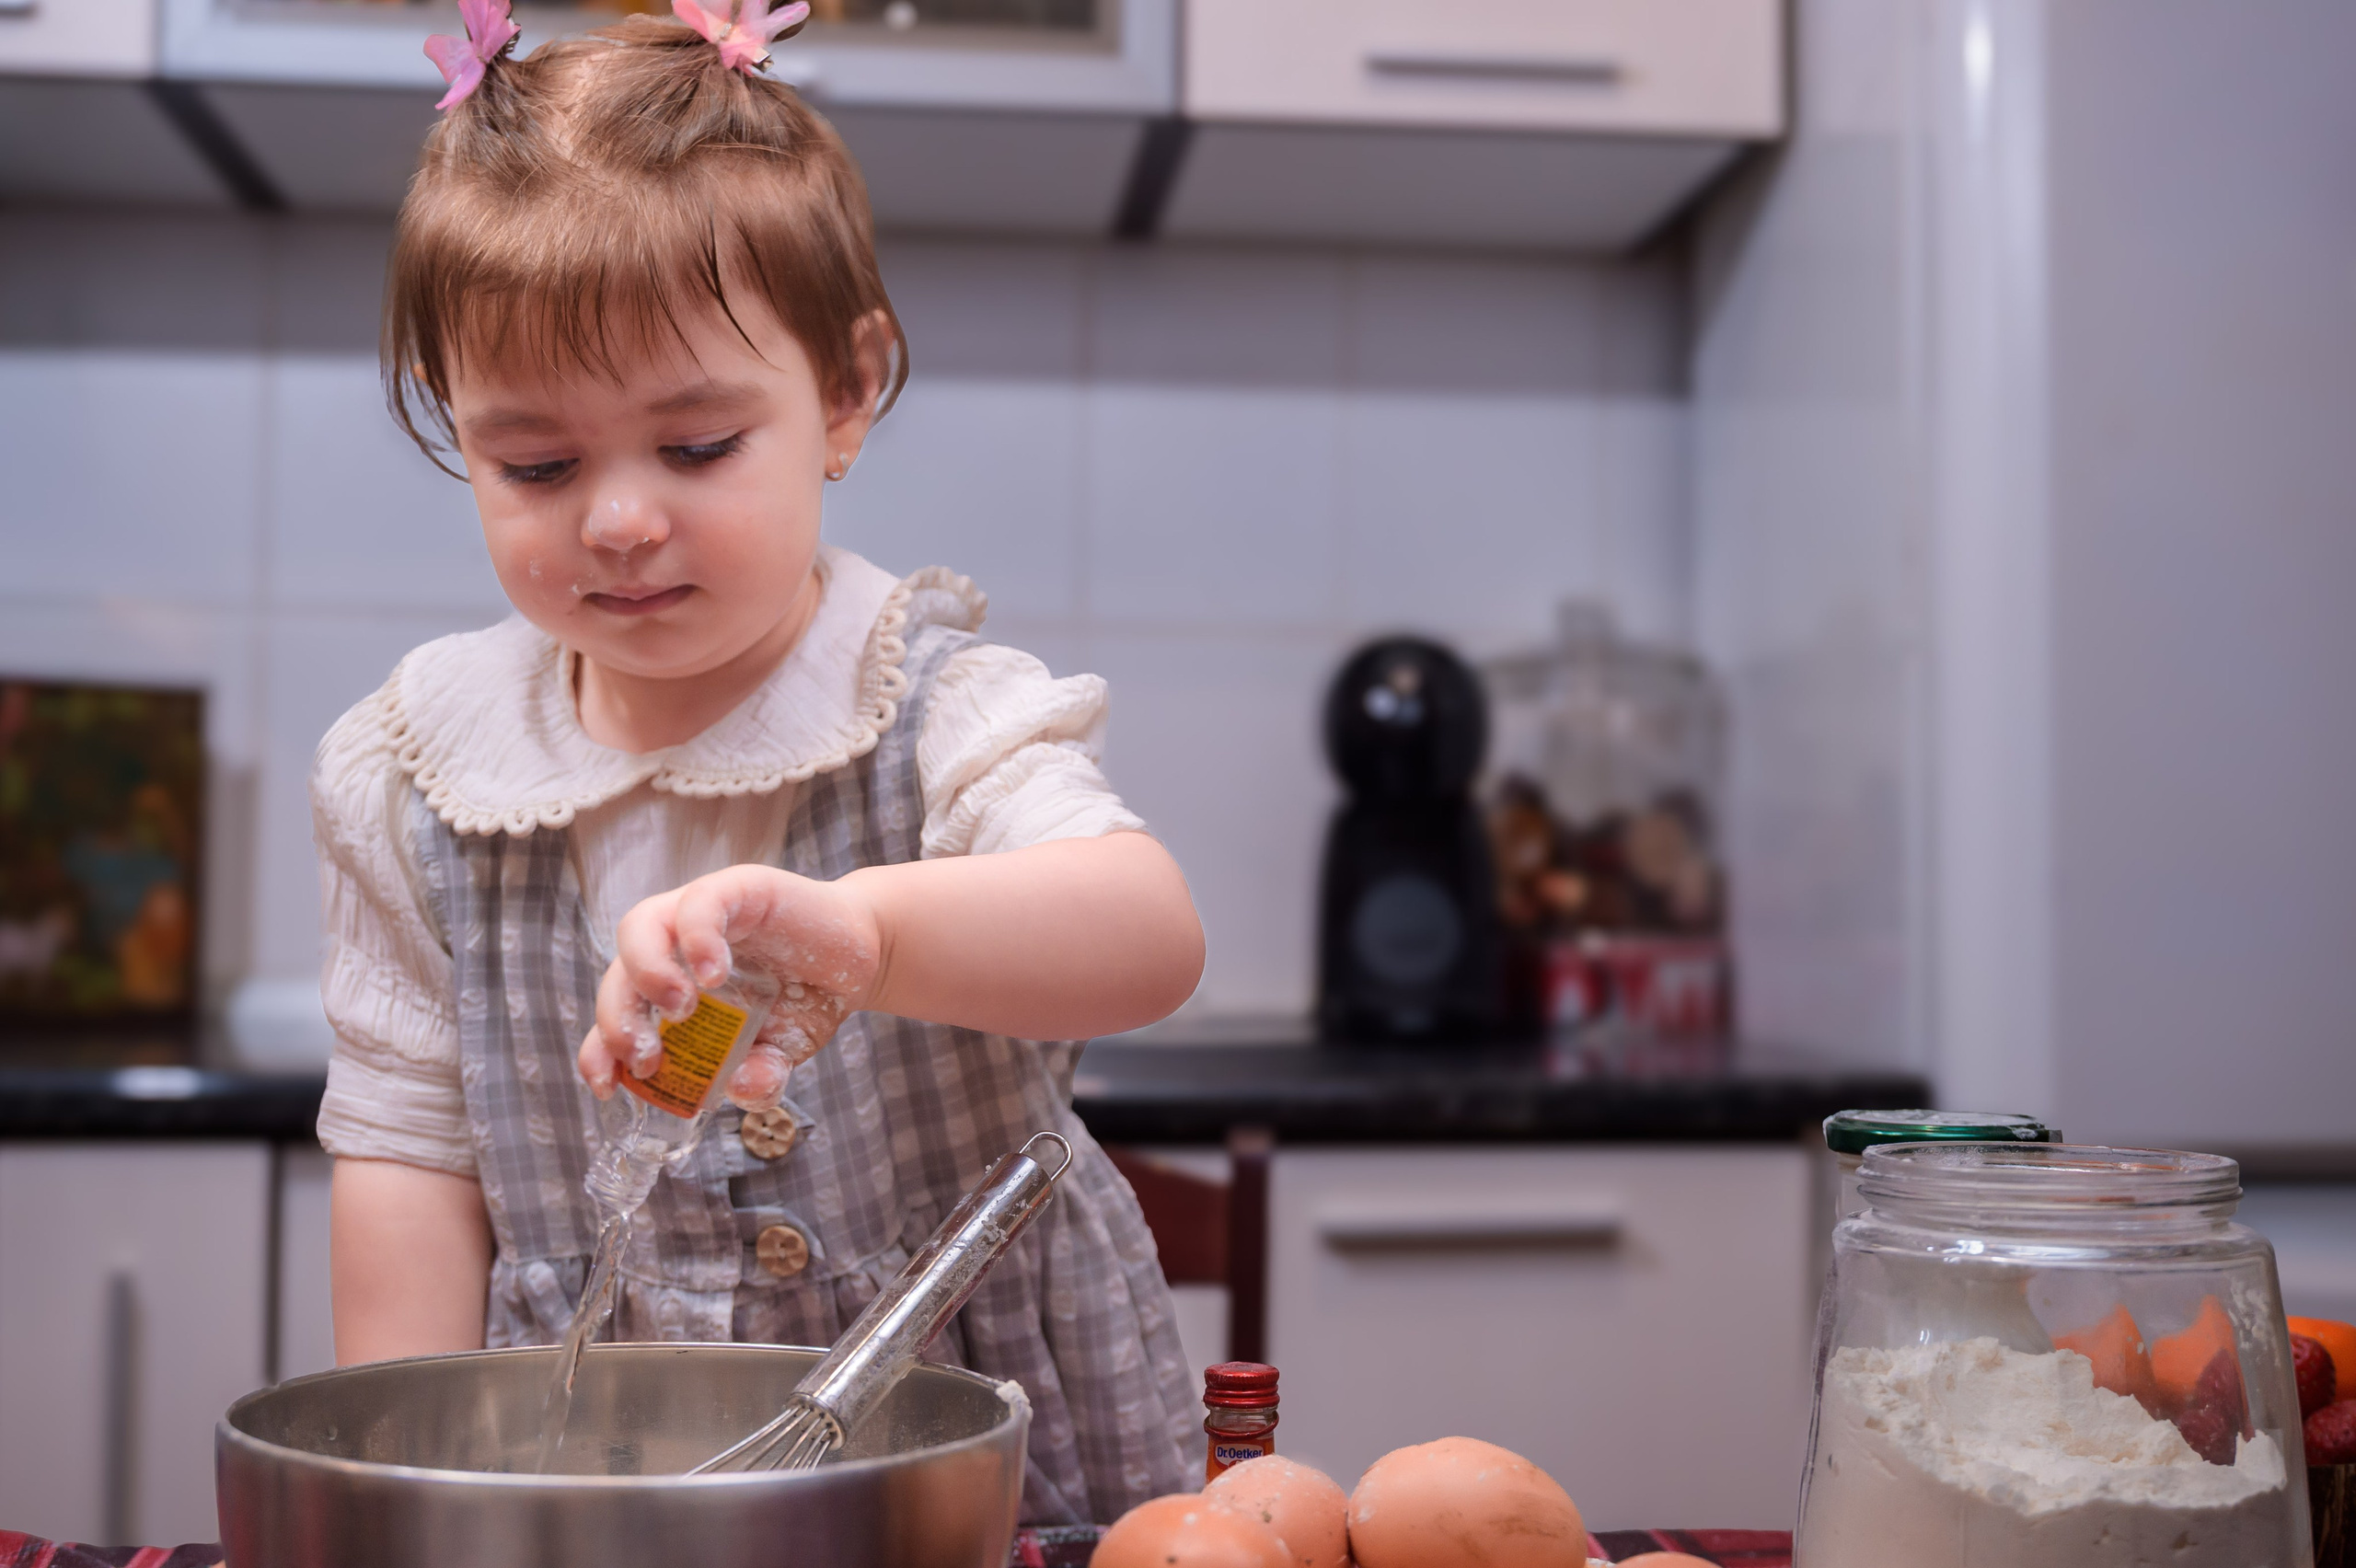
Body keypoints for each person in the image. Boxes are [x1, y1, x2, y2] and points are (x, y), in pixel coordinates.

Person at [309, 0, 1204, 1522]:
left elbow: (1147, 940)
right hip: (596, 1472)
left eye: (697, 446)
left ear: (847, 394)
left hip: (982, 1468)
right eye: (535, 464)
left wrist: (866, 932)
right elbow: (404, 1162)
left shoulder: (937, 711)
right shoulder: (414, 772)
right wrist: (403, 1497)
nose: (617, 520)